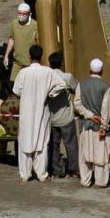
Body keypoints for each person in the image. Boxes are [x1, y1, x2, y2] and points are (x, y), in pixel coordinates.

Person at [13, 44, 67, 182]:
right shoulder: (48, 72)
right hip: (42, 112)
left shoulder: (23, 72)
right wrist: (50, 93)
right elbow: (62, 85)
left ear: (29, 56)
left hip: (26, 111)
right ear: (41, 57)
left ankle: (25, 174)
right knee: (42, 142)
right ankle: (42, 174)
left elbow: (16, 91)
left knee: (25, 141)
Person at [74, 58, 110, 187]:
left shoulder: (81, 84)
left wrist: (90, 115)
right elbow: (105, 109)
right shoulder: (106, 86)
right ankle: (101, 181)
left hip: (86, 125)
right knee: (101, 154)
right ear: (102, 70)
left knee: (85, 154)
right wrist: (103, 126)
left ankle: (85, 180)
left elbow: (77, 104)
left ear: (89, 69)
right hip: (100, 126)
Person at [47, 51, 79, 178]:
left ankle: (57, 170)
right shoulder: (67, 77)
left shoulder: (47, 77)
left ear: (50, 63)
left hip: (51, 117)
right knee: (71, 144)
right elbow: (77, 89)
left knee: (53, 145)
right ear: (61, 63)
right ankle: (74, 168)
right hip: (66, 117)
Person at [4, 2, 38, 81]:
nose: (21, 16)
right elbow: (12, 39)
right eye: (19, 13)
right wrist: (6, 55)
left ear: (29, 14)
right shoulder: (14, 23)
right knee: (12, 84)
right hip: (17, 63)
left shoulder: (35, 25)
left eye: (24, 14)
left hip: (30, 64)